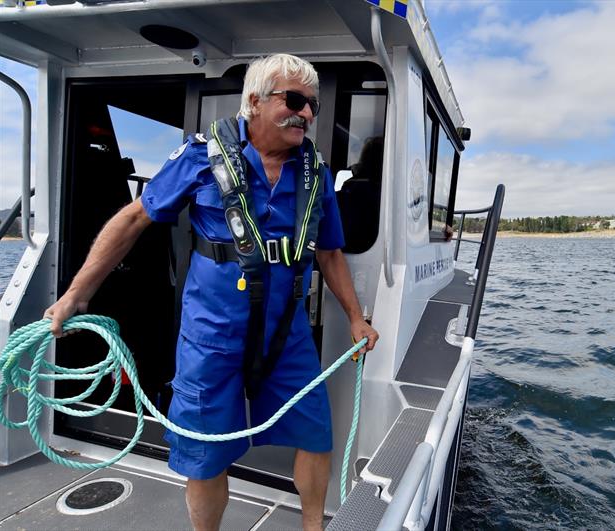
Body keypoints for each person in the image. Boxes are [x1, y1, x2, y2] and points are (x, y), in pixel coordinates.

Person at [44, 54, 379, 531]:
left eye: (313, 106)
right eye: (296, 100)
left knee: (315, 433)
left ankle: (313, 527)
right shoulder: (200, 156)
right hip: (211, 335)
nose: (306, 114)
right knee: (204, 452)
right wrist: (77, 292)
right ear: (255, 102)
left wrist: (354, 318)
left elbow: (329, 254)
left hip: (288, 335)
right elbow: (137, 217)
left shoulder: (316, 173)